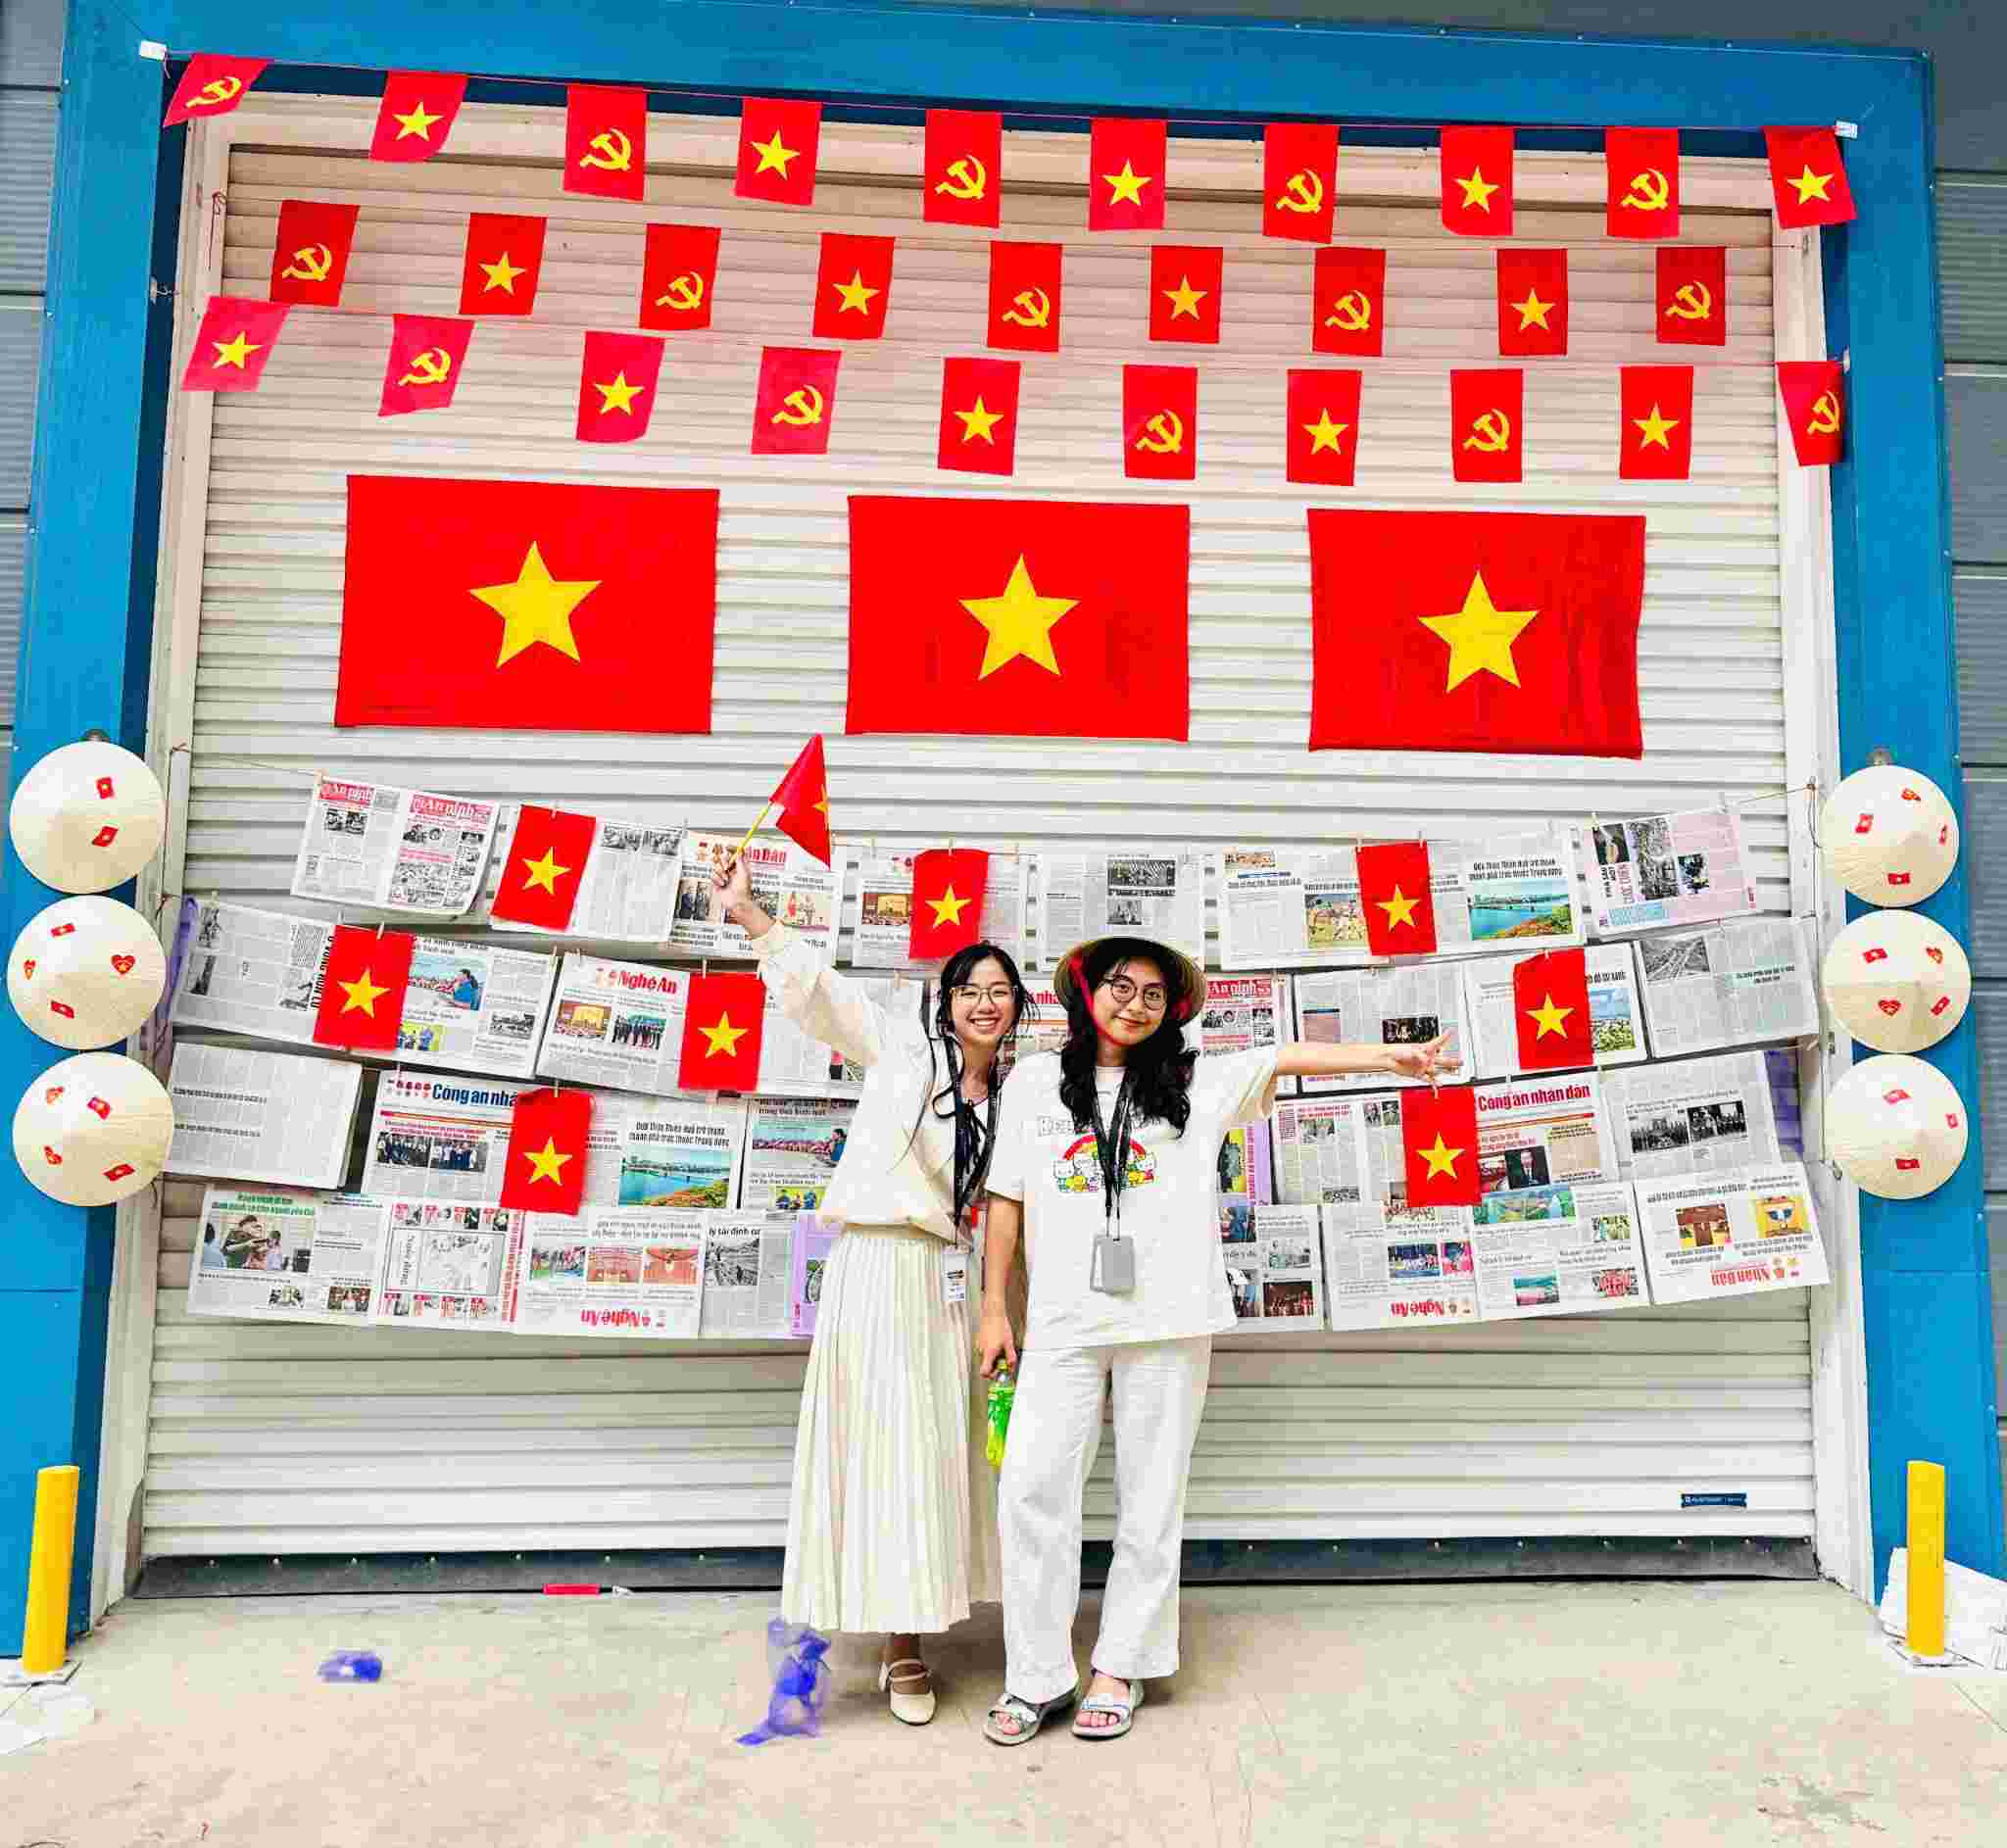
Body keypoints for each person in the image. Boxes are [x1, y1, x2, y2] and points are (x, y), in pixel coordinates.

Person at [978, 934, 1457, 1745]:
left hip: (1170, 1320)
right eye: (1119, 987)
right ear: (1086, 992)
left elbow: (1288, 1053)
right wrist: (994, 1305)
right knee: (1031, 1493)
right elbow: (1006, 1199)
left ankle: (1119, 1664)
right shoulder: (1031, 1085)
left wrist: (1391, 1058)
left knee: (1150, 1498)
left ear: (1171, 1011)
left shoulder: (1196, 1080)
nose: (1133, 1004)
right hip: (1061, 1321)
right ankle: (1036, 1674)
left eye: (1152, 995)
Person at [713, 853, 1035, 1726]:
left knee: (945, 1450)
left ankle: (931, 1621)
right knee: (887, 1444)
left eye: (999, 989)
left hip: (958, 1282)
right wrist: (752, 915)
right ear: (947, 999)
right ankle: (898, 1647)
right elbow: (825, 993)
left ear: (1016, 1008)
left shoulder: (1024, 1096)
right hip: (879, 1268)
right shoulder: (901, 1049)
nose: (983, 1001)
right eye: (969, 986)